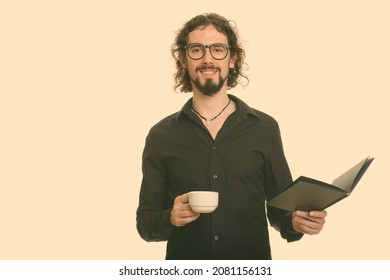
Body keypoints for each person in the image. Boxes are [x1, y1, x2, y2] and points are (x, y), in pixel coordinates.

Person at [136, 13, 327, 260]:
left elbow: (280, 211)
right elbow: (145, 224)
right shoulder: (161, 135)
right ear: (183, 60)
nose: (207, 59)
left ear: (233, 59)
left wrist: (296, 222)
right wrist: (170, 218)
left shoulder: (264, 128)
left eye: (217, 49)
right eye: (196, 50)